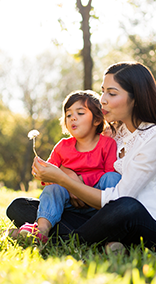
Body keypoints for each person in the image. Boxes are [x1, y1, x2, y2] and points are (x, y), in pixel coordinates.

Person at [6, 62, 156, 250]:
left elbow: (118, 197)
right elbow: (79, 156)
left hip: (145, 227)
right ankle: (99, 242)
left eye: (112, 93)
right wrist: (68, 175)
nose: (103, 100)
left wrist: (66, 180)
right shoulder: (115, 132)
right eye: (103, 91)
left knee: (126, 206)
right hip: (103, 216)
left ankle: (62, 240)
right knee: (20, 206)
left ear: (136, 98)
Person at [14, 90, 121, 243]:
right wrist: (40, 171)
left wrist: (78, 181)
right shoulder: (62, 146)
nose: (73, 118)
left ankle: (112, 235)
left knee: (112, 177)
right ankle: (41, 230)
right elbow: (49, 176)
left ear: (97, 120)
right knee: (52, 190)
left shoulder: (107, 144)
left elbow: (110, 173)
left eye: (80, 113)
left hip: (98, 203)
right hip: (68, 205)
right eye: (68, 115)